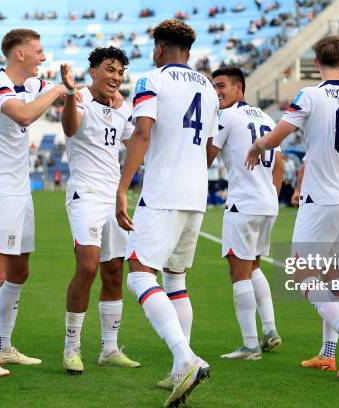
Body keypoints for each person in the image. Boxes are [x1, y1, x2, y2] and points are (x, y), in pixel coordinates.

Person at [246, 36, 339, 372]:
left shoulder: (311, 94)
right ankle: (327, 353)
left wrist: (258, 145)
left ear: (316, 62)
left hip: (321, 199)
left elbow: (277, 137)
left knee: (302, 271)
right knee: (333, 278)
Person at [115, 19, 219, 406]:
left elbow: (142, 133)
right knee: (176, 279)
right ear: (187, 51)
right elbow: (211, 146)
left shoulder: (151, 79)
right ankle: (180, 369)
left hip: (162, 193)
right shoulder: (208, 88)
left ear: (159, 48)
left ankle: (185, 357)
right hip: (197, 194)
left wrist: (122, 188)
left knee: (140, 274)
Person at [0, 28, 69, 377]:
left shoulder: (31, 85)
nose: (44, 57)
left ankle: (3, 346)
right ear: (20, 55)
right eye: (39, 51)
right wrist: (60, 89)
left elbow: (61, 92)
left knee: (20, 270)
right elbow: (24, 116)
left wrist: (68, 85)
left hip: (20, 192)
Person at [60, 47, 140, 374]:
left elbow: (137, 145)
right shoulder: (78, 98)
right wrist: (68, 94)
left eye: (120, 72)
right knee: (89, 266)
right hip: (85, 194)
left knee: (113, 271)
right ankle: (71, 348)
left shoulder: (123, 109)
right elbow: (69, 128)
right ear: (93, 72)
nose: (115, 77)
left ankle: (109, 348)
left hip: (113, 197)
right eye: (110, 70)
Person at [207, 66, 283, 360]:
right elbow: (278, 165)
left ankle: (250, 345)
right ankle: (270, 330)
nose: (218, 91)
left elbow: (208, 157)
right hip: (267, 203)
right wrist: (272, 196)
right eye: (215, 86)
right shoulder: (265, 117)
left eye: (223, 85)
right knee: (253, 267)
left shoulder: (225, 116)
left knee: (238, 272)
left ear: (239, 87)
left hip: (243, 203)